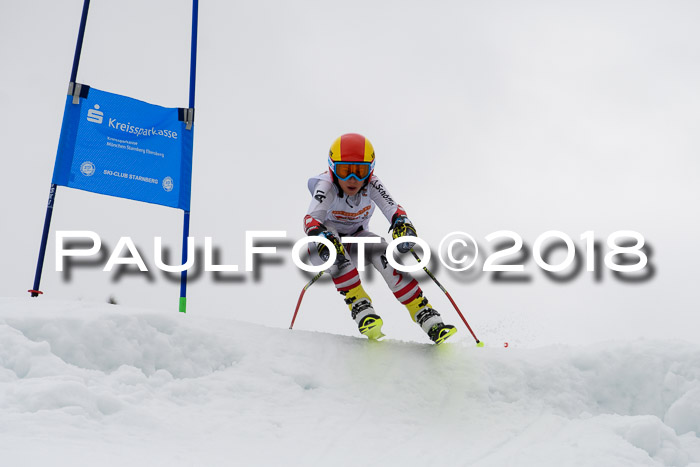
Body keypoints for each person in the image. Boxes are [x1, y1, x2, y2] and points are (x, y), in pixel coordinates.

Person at [303, 133, 457, 344]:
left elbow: (392, 207)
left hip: (356, 238)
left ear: (370, 171)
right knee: (333, 241)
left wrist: (402, 224)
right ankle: (360, 305)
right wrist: (322, 237)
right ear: (332, 168)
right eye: (345, 171)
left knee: (382, 250)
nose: (352, 179)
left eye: (360, 172)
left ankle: (425, 314)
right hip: (326, 245)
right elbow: (311, 219)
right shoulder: (326, 186)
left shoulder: (372, 184)